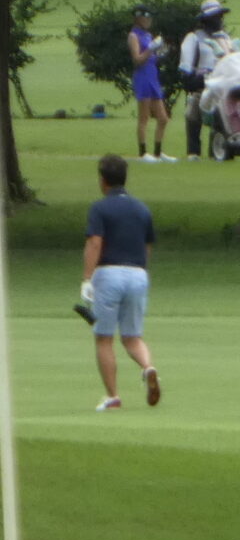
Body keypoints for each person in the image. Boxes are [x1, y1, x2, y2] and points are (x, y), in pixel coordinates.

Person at [81, 156, 160, 413]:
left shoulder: (100, 208)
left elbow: (95, 243)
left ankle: (113, 396)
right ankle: (148, 367)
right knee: (132, 337)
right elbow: (147, 246)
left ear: (103, 180)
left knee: (104, 338)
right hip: (138, 274)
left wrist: (87, 278)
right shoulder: (142, 209)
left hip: (109, 274)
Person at [176, 0, 233, 161]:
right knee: (194, 112)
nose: (219, 20)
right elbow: (186, 67)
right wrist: (199, 77)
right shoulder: (194, 38)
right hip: (203, 85)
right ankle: (194, 152)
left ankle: (218, 151)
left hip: (223, 86)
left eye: (220, 16)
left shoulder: (225, 38)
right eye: (216, 17)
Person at [126, 6, 170, 163]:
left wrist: (160, 52)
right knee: (144, 117)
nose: (150, 20)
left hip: (152, 76)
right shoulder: (133, 36)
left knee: (163, 118)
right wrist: (151, 49)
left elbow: (152, 57)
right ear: (139, 18)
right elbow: (137, 60)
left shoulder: (148, 35)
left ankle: (158, 152)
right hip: (143, 77)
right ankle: (143, 152)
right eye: (147, 17)